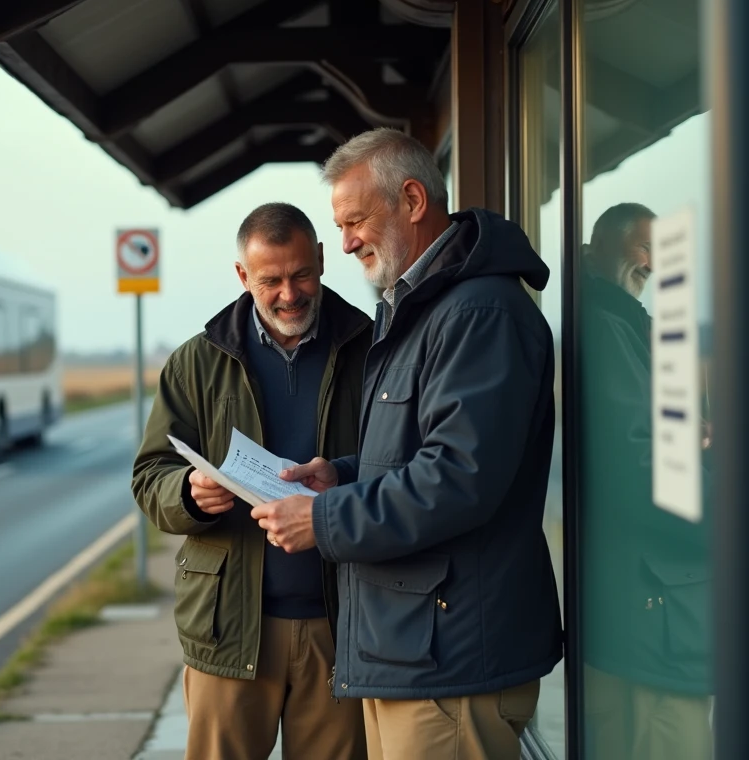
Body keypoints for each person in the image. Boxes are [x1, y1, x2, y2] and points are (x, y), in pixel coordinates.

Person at [251, 128, 563, 760]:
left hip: (449, 663)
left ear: (413, 200)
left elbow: (457, 478)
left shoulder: (478, 313)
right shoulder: (422, 308)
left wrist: (324, 518)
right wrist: (339, 477)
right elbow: (414, 456)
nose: (346, 243)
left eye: (356, 220)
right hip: (416, 652)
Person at [132, 202, 372, 760]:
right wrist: (188, 493)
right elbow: (149, 478)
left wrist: (343, 476)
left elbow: (404, 462)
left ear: (320, 258)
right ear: (243, 277)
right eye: (271, 280)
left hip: (343, 625)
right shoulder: (194, 362)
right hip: (229, 629)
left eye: (301, 274)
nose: (290, 294)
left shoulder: (373, 350)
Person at [579, 203, 714, 760]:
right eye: (643, 247)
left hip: (646, 607)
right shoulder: (608, 328)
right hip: (652, 613)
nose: (653, 264)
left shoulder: (624, 323)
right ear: (595, 250)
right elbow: (642, 470)